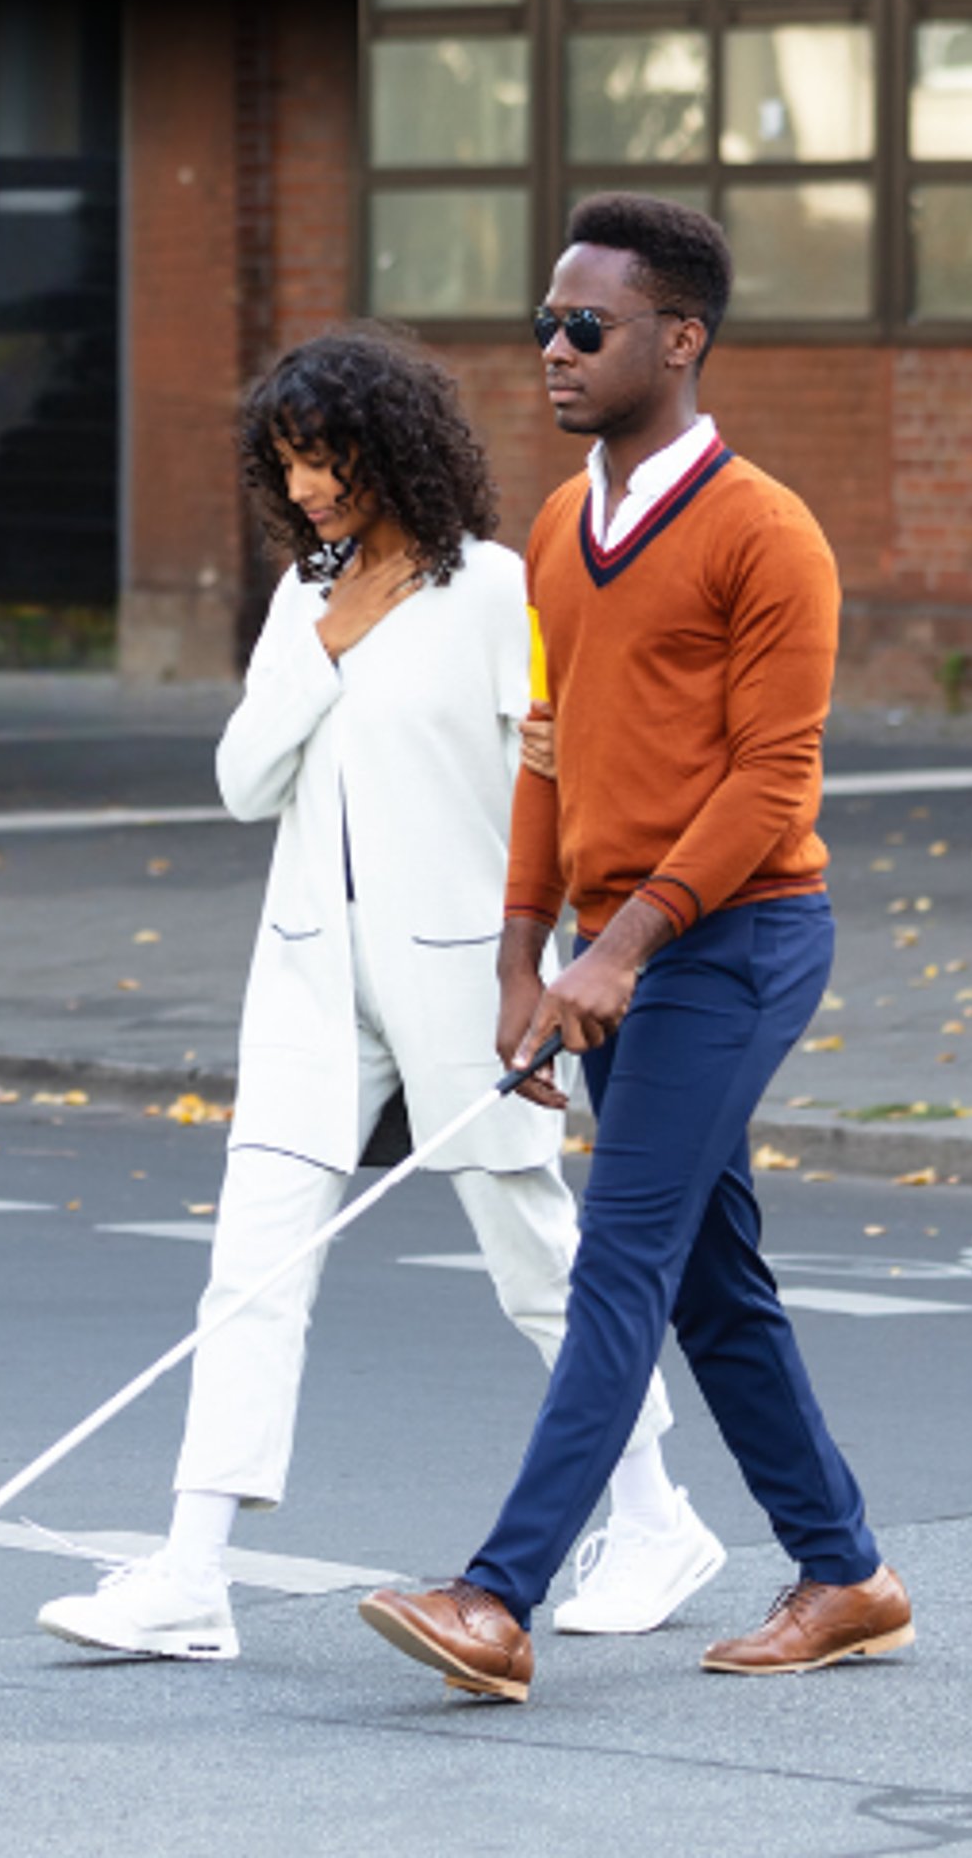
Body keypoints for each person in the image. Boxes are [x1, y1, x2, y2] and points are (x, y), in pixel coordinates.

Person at [38, 328, 711, 1663]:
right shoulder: (305, 599)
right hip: (306, 975)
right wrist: (326, 641)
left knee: (537, 1261)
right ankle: (190, 1569)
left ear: (391, 448)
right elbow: (243, 783)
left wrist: (562, 966)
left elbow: (557, 786)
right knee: (252, 1269)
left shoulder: (498, 595)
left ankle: (654, 1514)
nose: (306, 490)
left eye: (326, 459)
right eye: (286, 465)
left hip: (470, 981)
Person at [359, 197, 912, 1702]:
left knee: (620, 1258)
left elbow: (769, 784)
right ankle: (847, 1573)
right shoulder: (554, 528)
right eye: (543, 323)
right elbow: (545, 754)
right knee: (710, 1278)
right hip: (615, 947)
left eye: (582, 326)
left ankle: (497, 1597)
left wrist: (629, 950)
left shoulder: (765, 531)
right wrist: (521, 959)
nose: (552, 348)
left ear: (679, 339)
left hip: (739, 942)